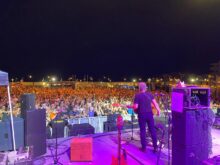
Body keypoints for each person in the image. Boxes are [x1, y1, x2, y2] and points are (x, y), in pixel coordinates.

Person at [127, 82, 161, 153]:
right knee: (152, 130)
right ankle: (155, 147)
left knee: (142, 131)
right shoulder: (150, 94)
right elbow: (155, 103)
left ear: (139, 88)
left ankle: (144, 148)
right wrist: (158, 110)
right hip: (149, 114)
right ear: (146, 88)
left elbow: (136, 107)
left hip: (142, 115)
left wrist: (129, 106)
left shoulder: (138, 96)